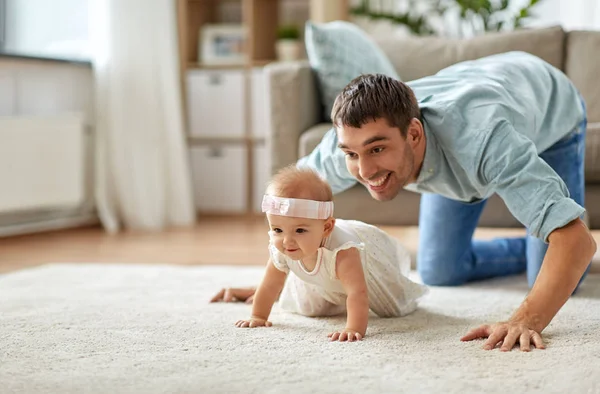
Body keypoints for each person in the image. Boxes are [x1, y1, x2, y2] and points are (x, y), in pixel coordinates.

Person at [213, 51, 597, 351]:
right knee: (439, 270)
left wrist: (526, 319)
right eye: (352, 154)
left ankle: (540, 251)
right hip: (471, 106)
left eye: (378, 148)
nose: (363, 170)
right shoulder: (345, 147)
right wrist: (282, 274)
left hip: (549, 107)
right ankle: (535, 247)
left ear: (413, 134)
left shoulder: (486, 142)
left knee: (560, 270)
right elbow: (290, 206)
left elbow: (577, 241)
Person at [231, 165, 427, 342]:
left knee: (394, 308)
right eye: (277, 230)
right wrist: (258, 316)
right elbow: (270, 284)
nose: (287, 241)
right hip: (315, 259)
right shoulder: (282, 246)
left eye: (300, 230)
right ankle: (325, 290)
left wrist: (353, 328)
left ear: (326, 228)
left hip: (364, 268)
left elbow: (357, 292)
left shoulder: (344, 250)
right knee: (309, 308)